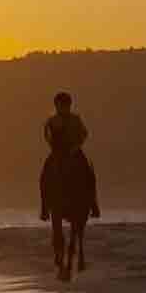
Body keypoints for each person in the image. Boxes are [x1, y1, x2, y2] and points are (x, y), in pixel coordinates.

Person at [39, 92, 100, 221]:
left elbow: (84, 133)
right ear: (56, 105)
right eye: (59, 105)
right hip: (57, 152)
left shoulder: (75, 119)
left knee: (89, 173)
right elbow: (46, 134)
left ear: (69, 105)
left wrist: (76, 146)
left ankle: (93, 204)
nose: (62, 108)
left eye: (64, 105)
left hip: (74, 151)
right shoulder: (51, 120)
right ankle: (44, 208)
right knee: (44, 175)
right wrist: (51, 145)